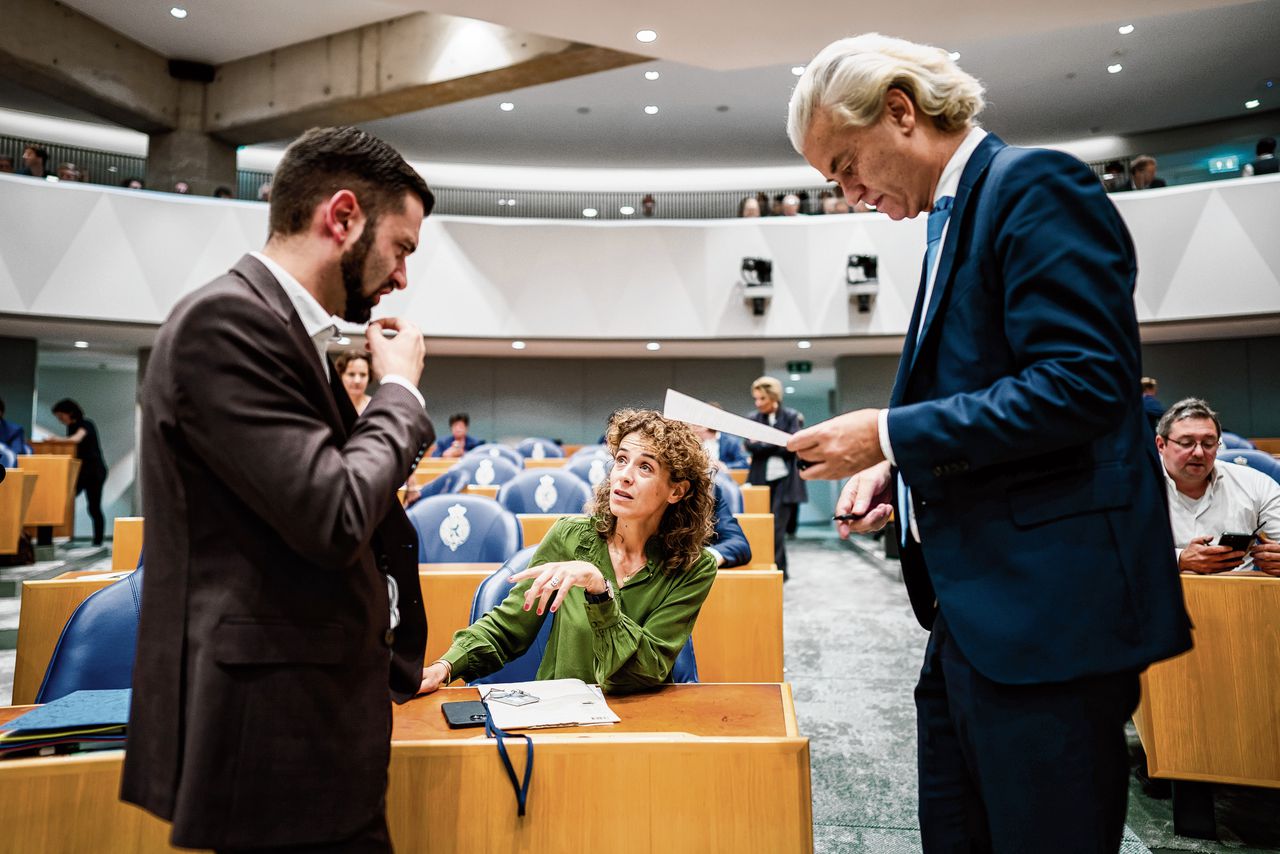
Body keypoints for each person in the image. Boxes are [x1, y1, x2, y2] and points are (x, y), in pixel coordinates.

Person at [783, 34, 1190, 853]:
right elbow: (982, 400)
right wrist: (894, 468)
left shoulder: (1033, 186)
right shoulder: (948, 222)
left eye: (845, 163)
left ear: (900, 111)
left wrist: (890, 435)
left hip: (1047, 622)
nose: (847, 192)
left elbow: (1083, 384)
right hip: (973, 623)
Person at [121, 126, 437, 852]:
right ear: (343, 216)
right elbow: (332, 515)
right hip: (271, 736)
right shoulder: (227, 323)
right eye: (402, 248)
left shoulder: (282, 331)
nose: (402, 277)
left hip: (311, 722)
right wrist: (398, 394)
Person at [418, 409, 717, 694]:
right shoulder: (568, 537)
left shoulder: (694, 567)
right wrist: (444, 666)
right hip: (561, 717)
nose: (624, 475)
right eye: (621, 460)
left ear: (676, 491)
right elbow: (511, 626)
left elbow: (644, 670)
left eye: (645, 467)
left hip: (640, 724)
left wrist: (600, 591)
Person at [1155, 397, 1280, 575]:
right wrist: (1180, 559)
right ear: (1161, 445)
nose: (1198, 452)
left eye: (1208, 444)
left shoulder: (1256, 483)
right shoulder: (1134, 486)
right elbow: (1119, 550)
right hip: (1164, 593)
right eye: (1186, 443)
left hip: (1238, 593)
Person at [744, 376, 806, 579]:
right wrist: (778, 441)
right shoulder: (753, 418)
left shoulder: (790, 416)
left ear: (773, 397)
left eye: (762, 398)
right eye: (756, 399)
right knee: (760, 526)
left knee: (777, 529)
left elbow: (793, 446)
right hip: (760, 482)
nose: (758, 403)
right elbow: (749, 446)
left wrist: (763, 442)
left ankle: (779, 571)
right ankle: (765, 568)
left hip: (785, 482)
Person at [50, 398, 108, 546]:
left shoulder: (85, 424)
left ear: (69, 413)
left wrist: (57, 440)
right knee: (66, 500)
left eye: (61, 416)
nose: (61, 420)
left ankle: (98, 540)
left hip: (94, 472)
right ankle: (63, 534)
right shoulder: (71, 427)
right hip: (81, 472)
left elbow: (76, 439)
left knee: (94, 507)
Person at [334, 348, 373, 414]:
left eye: (363, 375)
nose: (357, 381)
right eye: (351, 374)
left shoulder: (376, 406)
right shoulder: (332, 406)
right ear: (341, 375)